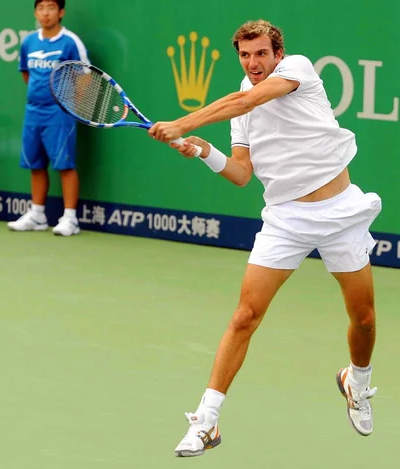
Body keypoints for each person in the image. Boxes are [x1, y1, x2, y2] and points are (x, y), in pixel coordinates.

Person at [148, 19, 382, 457]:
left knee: (364, 318)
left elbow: (247, 100)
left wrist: (181, 122)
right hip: (286, 219)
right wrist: (201, 149)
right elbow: (240, 174)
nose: (253, 63)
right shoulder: (242, 107)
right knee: (244, 316)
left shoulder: (297, 69)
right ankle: (206, 422)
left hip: (341, 214)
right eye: (245, 55)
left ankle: (358, 382)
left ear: (277, 54)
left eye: (260, 53)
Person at [7, 0, 89, 236]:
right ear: (35, 12)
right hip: (33, 111)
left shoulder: (70, 42)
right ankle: (37, 214)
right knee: (35, 164)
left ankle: (70, 218)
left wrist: (70, 103)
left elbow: (85, 75)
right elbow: (26, 74)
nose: (45, 13)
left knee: (65, 165)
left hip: (60, 112)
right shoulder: (29, 41)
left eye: (51, 7)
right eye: (41, 7)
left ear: (61, 12)